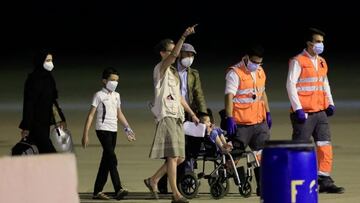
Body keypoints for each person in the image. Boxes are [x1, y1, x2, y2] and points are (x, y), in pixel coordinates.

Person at [144, 25, 200, 203]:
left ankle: (153, 180)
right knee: (173, 156)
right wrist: (183, 36)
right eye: (170, 50)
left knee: (180, 157)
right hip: (166, 115)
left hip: (177, 116)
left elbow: (180, 97)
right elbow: (175, 55)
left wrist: (192, 113)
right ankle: (176, 194)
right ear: (163, 53)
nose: (175, 53)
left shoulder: (174, 73)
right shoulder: (160, 69)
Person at [286, 27, 344, 194]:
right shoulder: (298, 61)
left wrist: (330, 103)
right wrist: (297, 108)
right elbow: (290, 84)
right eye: (318, 42)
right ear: (309, 43)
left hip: (320, 112)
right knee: (300, 147)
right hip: (304, 113)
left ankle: (324, 179)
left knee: (324, 145)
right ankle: (296, 180)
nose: (321, 45)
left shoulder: (321, 61)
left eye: (322, 42)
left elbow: (324, 83)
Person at [157, 43, 208, 193]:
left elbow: (199, 94)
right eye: (187, 55)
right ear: (180, 55)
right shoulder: (170, 70)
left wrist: (203, 114)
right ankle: (163, 181)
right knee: (173, 149)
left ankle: (178, 180)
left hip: (187, 111)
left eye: (192, 56)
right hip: (171, 112)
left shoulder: (194, 74)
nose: (190, 59)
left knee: (185, 148)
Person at [224, 44, 272, 196]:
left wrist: (268, 112)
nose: (257, 65)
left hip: (259, 122)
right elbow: (229, 96)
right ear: (246, 57)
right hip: (241, 124)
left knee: (261, 155)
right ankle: (224, 176)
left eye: (259, 62)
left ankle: (262, 187)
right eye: (254, 62)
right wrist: (229, 117)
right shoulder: (235, 73)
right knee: (235, 156)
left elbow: (262, 93)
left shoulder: (260, 71)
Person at [82, 67, 136, 200]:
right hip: (102, 129)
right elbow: (90, 115)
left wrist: (128, 129)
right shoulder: (99, 95)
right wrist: (85, 134)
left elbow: (119, 113)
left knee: (106, 160)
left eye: (117, 80)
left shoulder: (117, 96)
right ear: (104, 81)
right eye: (112, 80)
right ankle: (118, 188)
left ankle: (97, 191)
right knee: (112, 158)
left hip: (113, 130)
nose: (115, 83)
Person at [19, 49, 66, 154]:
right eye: (48, 60)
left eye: (51, 60)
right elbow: (29, 104)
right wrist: (26, 127)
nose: (51, 63)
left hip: (45, 123)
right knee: (49, 152)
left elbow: (53, 101)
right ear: (40, 61)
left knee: (41, 152)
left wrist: (60, 118)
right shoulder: (32, 80)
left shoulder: (49, 78)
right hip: (35, 123)